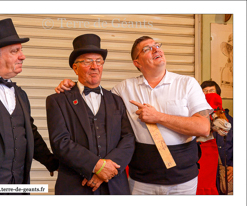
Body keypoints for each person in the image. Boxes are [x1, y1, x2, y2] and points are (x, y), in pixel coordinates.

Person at [55, 36, 212, 195]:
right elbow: (92, 97)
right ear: (137, 63)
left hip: (183, 181)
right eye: (147, 49)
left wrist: (158, 117)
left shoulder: (187, 83)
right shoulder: (122, 89)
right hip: (141, 182)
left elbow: (204, 128)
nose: (156, 49)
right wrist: (74, 86)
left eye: (157, 45)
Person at [0, 18, 58, 187]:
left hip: (17, 187)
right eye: (15, 51)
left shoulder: (21, 95)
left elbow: (30, 136)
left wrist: (54, 163)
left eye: (21, 50)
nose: (23, 56)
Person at [46, 34, 135, 195]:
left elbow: (128, 139)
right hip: (76, 185)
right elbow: (60, 142)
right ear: (75, 68)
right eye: (87, 61)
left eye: (99, 61)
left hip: (114, 185)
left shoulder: (117, 100)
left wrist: (107, 170)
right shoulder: (57, 101)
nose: (95, 66)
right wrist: (96, 166)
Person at [201, 80, 233, 194]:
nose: (208, 94)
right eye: (204, 91)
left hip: (224, 170)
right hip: (203, 169)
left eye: (211, 91)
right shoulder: (196, 119)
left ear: (218, 95)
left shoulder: (229, 120)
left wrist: (234, 165)